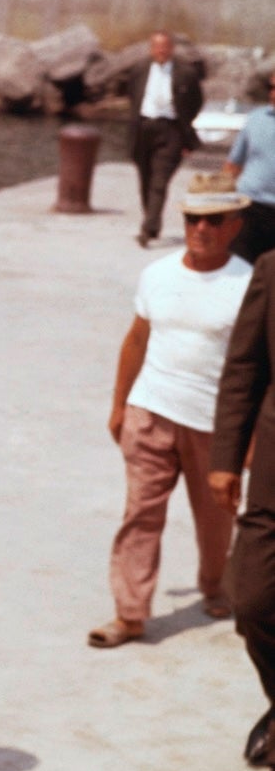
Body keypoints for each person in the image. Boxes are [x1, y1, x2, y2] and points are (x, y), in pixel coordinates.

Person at [92, 175, 252, 648]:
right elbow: (137, 339)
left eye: (213, 220)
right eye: (192, 218)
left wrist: (251, 439)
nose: (201, 228)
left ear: (233, 226)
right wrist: (120, 405)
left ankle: (214, 585)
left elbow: (259, 366)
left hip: (213, 426)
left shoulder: (248, 283)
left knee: (215, 519)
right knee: (140, 514)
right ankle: (130, 614)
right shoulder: (157, 274)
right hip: (152, 412)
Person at [210, 230, 275, 771]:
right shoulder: (272, 271)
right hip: (273, 483)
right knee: (251, 600)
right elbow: (244, 368)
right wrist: (226, 459)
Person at [127, 31, 204, 248]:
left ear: (171, 48)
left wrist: (184, 126)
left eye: (165, 47)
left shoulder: (186, 73)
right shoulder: (140, 69)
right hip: (143, 128)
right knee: (145, 179)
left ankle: (148, 228)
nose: (161, 51)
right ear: (151, 49)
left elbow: (196, 101)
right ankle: (152, 221)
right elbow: (132, 94)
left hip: (171, 131)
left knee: (159, 181)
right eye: (157, 47)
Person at [222, 73, 275, 263]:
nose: (273, 94)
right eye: (271, 88)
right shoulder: (255, 119)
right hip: (250, 207)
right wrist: (220, 198)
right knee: (239, 267)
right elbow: (234, 163)